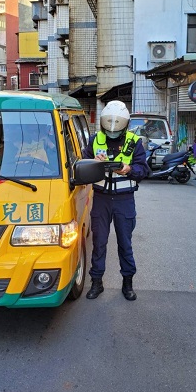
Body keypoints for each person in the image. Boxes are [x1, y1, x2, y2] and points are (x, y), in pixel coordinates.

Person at [82, 100, 150, 301]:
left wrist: (128, 170)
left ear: (125, 124)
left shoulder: (133, 141)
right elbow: (83, 166)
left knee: (125, 243)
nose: (112, 131)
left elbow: (144, 170)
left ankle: (127, 284)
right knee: (99, 242)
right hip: (102, 199)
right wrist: (94, 164)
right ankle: (96, 282)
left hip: (124, 200)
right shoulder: (95, 140)